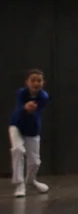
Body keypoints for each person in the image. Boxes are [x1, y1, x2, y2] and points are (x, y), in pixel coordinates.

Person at [10, 68, 50, 198]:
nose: (36, 83)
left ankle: (31, 181)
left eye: (39, 80)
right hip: (17, 126)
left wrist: (30, 110)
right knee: (18, 150)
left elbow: (35, 113)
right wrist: (24, 108)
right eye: (33, 80)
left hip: (32, 130)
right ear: (27, 82)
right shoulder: (21, 93)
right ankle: (19, 184)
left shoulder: (43, 97)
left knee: (35, 162)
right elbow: (18, 110)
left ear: (43, 83)